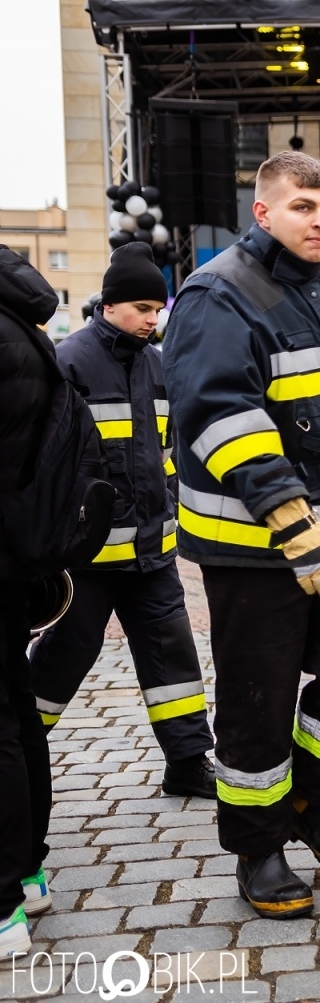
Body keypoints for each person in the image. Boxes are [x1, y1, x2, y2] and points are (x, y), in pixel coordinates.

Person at [164, 151, 320, 920]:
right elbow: (220, 414)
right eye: (302, 207)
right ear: (263, 212)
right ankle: (259, 847)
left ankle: (315, 805)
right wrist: (292, 521)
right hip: (256, 547)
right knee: (257, 698)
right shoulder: (216, 293)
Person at [29, 243, 217, 800]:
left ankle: (187, 762)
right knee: (63, 660)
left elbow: (168, 453)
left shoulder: (159, 366)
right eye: (142, 308)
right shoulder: (69, 361)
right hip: (85, 560)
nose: (152, 320)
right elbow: (47, 460)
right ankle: (18, 755)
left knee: (174, 660)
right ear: (109, 305)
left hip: (151, 555)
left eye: (158, 310)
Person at [0, 248, 70, 956]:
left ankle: (2, 910)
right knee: (18, 714)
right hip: (19, 557)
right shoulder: (29, 334)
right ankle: (26, 876)